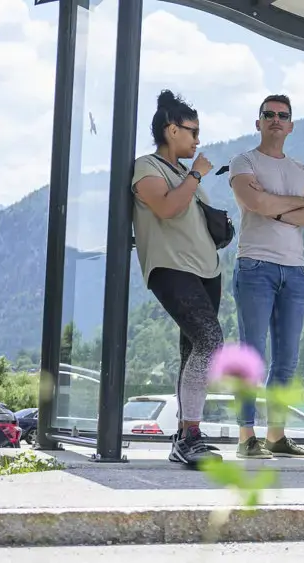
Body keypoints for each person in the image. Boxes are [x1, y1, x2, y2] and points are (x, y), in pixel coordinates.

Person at [130, 90, 226, 469]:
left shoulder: (184, 174)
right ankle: (189, 435)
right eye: (192, 131)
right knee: (211, 341)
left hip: (207, 271)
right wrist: (197, 173)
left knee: (194, 351)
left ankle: (185, 439)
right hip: (170, 269)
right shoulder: (146, 168)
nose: (197, 140)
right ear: (172, 130)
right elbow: (168, 208)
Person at [226, 94, 304, 460]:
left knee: (288, 359)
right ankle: (245, 436)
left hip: (294, 270)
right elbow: (257, 205)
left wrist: (274, 207)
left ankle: (276, 436)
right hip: (255, 266)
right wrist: (294, 204)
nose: (276, 120)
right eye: (269, 114)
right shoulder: (244, 161)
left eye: (283, 115)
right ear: (259, 122)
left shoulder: (302, 170)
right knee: (252, 354)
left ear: (291, 125)